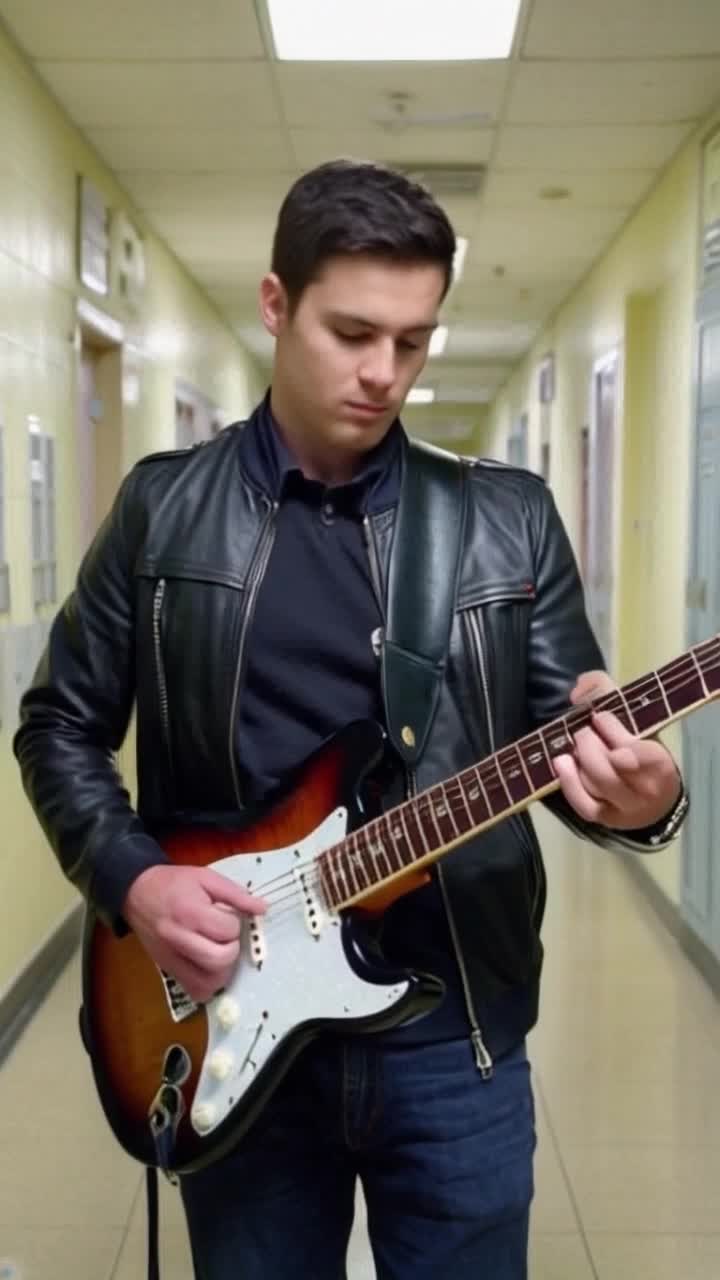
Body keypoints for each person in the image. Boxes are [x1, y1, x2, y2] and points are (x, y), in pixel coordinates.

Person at [14, 159, 687, 1280]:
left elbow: (582, 738)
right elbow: (58, 725)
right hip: (235, 1024)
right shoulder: (162, 509)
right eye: (353, 331)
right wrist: (134, 875)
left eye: (414, 341)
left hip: (455, 1033)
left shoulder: (505, 523)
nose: (385, 373)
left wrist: (645, 800)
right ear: (276, 305)